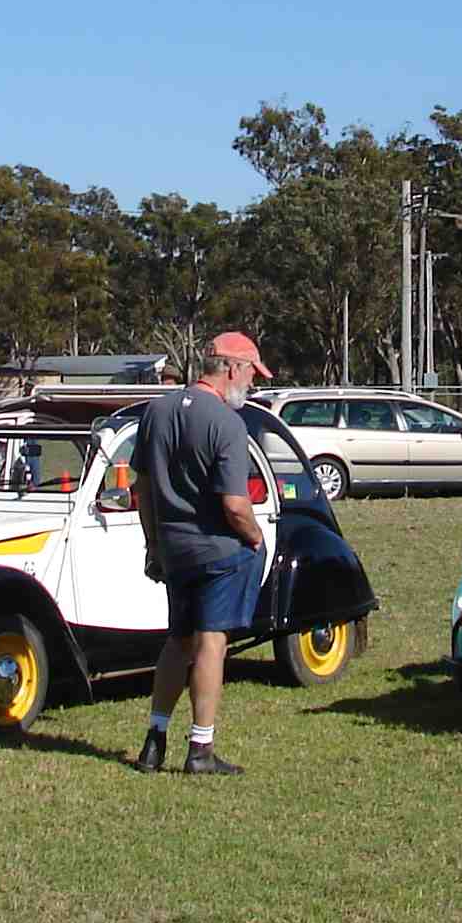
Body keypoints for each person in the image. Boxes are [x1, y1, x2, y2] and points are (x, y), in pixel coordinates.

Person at [130, 331, 273, 776]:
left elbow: (142, 489)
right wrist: (256, 538)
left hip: (174, 549)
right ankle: (201, 747)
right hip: (218, 550)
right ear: (232, 368)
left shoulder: (157, 411)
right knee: (212, 642)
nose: (252, 383)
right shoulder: (227, 423)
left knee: (178, 640)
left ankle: (154, 740)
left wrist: (154, 545)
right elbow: (235, 505)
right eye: (251, 373)